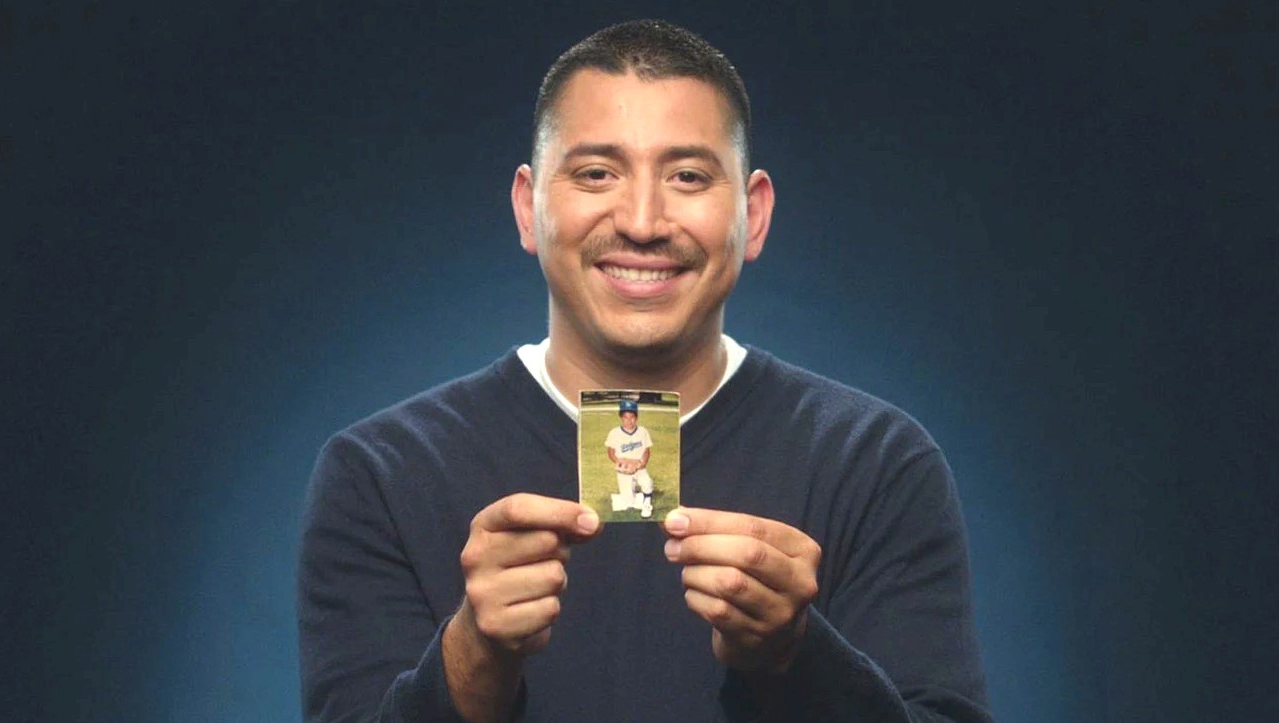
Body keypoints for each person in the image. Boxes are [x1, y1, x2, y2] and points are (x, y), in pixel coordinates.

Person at [298, 19, 990, 723]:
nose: (641, 219)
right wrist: (475, 650)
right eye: (596, 173)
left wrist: (796, 655)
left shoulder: (875, 462)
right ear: (527, 208)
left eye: (687, 176)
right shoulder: (379, 474)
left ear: (751, 216)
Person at [604, 400, 655, 517]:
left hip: (639, 465)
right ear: (621, 418)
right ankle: (630, 494)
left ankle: (647, 501)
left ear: (636, 417)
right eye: (625, 417)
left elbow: (647, 450)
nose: (629, 420)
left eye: (632, 417)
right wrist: (620, 462)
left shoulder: (643, 431)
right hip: (624, 468)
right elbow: (610, 451)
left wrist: (643, 463)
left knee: (647, 482)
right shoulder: (614, 432)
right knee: (628, 502)